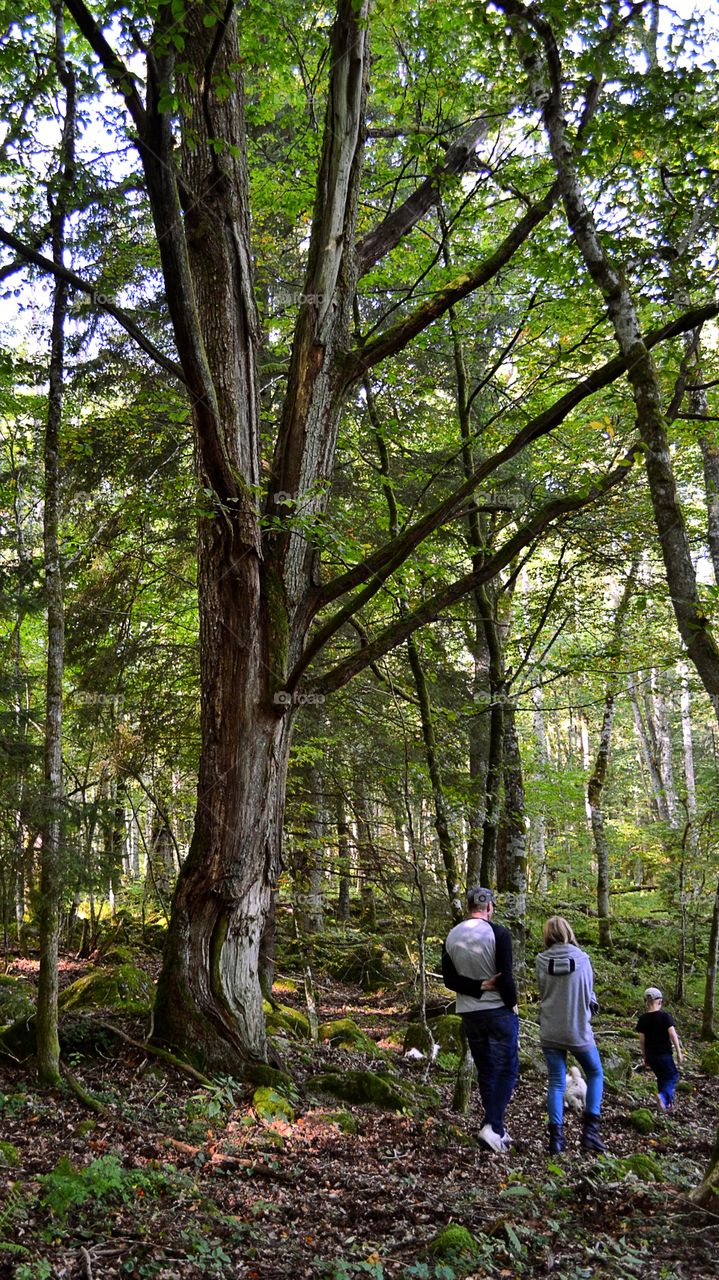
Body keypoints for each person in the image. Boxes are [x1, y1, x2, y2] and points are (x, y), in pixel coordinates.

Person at [442, 886, 519, 1154]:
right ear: (489, 907)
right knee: (507, 1070)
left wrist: (478, 986)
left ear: (468, 907)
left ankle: (495, 1128)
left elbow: (449, 980)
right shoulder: (499, 933)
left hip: (469, 1013)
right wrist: (512, 1004)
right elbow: (506, 977)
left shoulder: (452, 936)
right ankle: (493, 1124)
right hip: (498, 1011)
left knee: (486, 1070)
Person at [535, 915, 604, 1155]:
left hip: (550, 1029)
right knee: (595, 1072)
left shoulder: (541, 961)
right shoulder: (583, 959)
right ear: (568, 932)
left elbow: (543, 991)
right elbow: (588, 993)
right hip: (578, 1030)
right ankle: (590, 1133)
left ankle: (556, 1140)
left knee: (555, 1082)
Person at [636, 986, 683, 1111]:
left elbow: (641, 1040)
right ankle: (663, 1097)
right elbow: (673, 1034)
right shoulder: (665, 1016)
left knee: (662, 1078)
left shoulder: (642, 1019)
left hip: (651, 1056)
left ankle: (666, 1105)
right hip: (664, 1055)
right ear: (659, 1001)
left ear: (646, 1002)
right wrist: (679, 1052)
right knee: (672, 1076)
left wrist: (645, 1056)